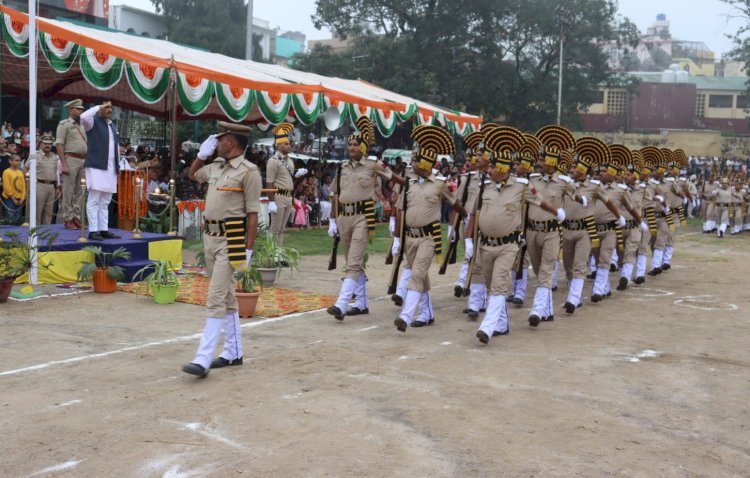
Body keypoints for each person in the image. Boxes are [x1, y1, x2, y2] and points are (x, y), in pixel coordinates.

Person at [182, 121, 261, 378]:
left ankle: (203, 358)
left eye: (220, 138)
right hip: (210, 237)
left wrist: (247, 251)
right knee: (226, 297)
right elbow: (192, 175)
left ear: (232, 141)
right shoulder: (216, 166)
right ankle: (233, 352)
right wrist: (200, 156)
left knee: (215, 296)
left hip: (232, 239)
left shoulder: (249, 172)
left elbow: (252, 215)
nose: (217, 142)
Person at [326, 116, 404, 320]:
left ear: (363, 146)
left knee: (352, 262)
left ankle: (341, 304)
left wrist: (409, 186)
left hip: (363, 216)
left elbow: (395, 179)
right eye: (349, 144)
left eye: (354, 144)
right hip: (344, 217)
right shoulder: (341, 166)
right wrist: (332, 220)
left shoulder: (373, 165)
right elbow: (334, 194)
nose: (351, 147)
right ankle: (361, 304)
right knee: (353, 261)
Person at [526, 126, 577, 326]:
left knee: (546, 270)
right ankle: (547, 310)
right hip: (532, 231)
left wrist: (578, 201)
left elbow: (576, 197)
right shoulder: (531, 180)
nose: (539, 163)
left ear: (553, 162)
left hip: (552, 232)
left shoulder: (565, 182)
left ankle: (537, 311)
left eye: (542, 160)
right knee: (539, 271)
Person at [81, 100, 121, 241]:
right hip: (96, 166)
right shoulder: (92, 122)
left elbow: (115, 148)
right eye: (106, 107)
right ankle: (93, 231)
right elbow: (83, 117)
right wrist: (97, 107)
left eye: (110, 107)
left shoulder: (113, 126)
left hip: (110, 168)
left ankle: (103, 229)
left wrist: (118, 166)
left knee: (105, 201)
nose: (109, 109)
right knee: (94, 200)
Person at [266, 122, 307, 246]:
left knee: (282, 229)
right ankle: (271, 256)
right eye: (286, 144)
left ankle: (278, 255)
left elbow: (288, 180)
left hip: (288, 196)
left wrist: (296, 176)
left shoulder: (289, 160)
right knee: (274, 229)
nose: (290, 146)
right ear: (278, 145)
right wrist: (271, 201)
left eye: (290, 143)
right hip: (278, 196)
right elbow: (269, 183)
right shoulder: (273, 161)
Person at [55, 99, 88, 230]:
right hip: (70, 159)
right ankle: (68, 218)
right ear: (70, 110)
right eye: (78, 109)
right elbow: (59, 144)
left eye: (81, 109)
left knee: (80, 190)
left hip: (82, 160)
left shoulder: (82, 126)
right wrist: (64, 164)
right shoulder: (64, 124)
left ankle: (76, 217)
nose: (81, 111)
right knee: (68, 190)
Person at [28, 134, 61, 225]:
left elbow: (56, 172)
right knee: (37, 211)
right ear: (40, 144)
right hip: (39, 185)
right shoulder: (34, 155)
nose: (47, 145)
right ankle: (35, 233)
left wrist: (57, 187)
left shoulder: (54, 157)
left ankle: (47, 232)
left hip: (51, 186)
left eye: (49, 144)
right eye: (45, 143)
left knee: (49, 213)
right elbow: (26, 170)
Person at [2, 154, 25, 224]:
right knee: (10, 219)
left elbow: (23, 186)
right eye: (16, 160)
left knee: (18, 220)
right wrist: (13, 199)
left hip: (19, 199)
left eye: (19, 161)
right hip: (10, 199)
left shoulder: (20, 172)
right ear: (10, 161)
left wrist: (22, 198)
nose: (18, 162)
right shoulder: (7, 172)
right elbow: (7, 186)